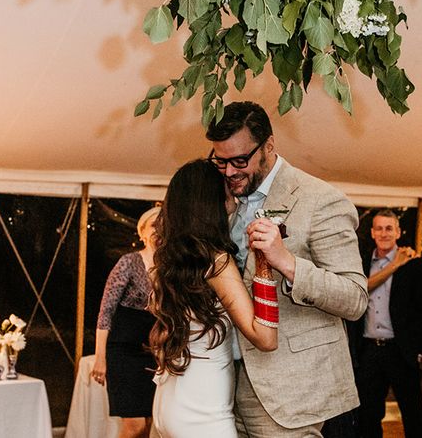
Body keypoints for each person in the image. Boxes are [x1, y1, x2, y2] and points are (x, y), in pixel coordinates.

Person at [206, 101, 368, 437]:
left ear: (268, 145)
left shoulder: (320, 200)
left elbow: (355, 299)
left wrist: (288, 263)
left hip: (292, 393)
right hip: (224, 386)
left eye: (240, 160)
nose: (229, 171)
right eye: (220, 161)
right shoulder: (222, 198)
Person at [149, 159, 279, 438]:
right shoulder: (216, 261)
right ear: (210, 200)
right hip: (203, 412)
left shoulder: (174, 259)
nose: (233, 192)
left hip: (168, 401)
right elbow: (265, 337)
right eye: (227, 187)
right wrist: (265, 264)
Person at [352, 209, 422, 438]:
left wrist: (419, 350)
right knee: (367, 415)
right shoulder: (361, 263)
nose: (384, 233)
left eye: (389, 228)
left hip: (401, 350)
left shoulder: (415, 264)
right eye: (379, 228)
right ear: (371, 232)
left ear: (398, 232)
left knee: (412, 415)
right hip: (368, 350)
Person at [91, 206, 161, 438]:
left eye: (163, 226)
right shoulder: (128, 262)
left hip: (153, 354)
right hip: (123, 352)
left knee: (150, 423)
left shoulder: (170, 267)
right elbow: (106, 311)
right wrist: (100, 358)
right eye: (154, 225)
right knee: (134, 427)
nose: (158, 231)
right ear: (142, 232)